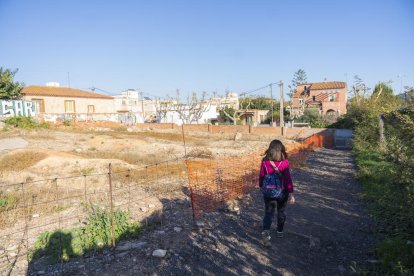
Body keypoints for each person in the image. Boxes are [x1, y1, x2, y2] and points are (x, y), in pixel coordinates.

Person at [258, 139, 295, 247]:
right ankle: (279, 231)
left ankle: (266, 231)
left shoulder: (265, 162)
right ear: (281, 150)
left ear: (270, 149)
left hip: (268, 192)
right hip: (282, 192)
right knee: (281, 211)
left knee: (268, 213)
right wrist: (291, 193)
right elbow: (288, 179)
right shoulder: (284, 163)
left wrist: (261, 187)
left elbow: (261, 176)